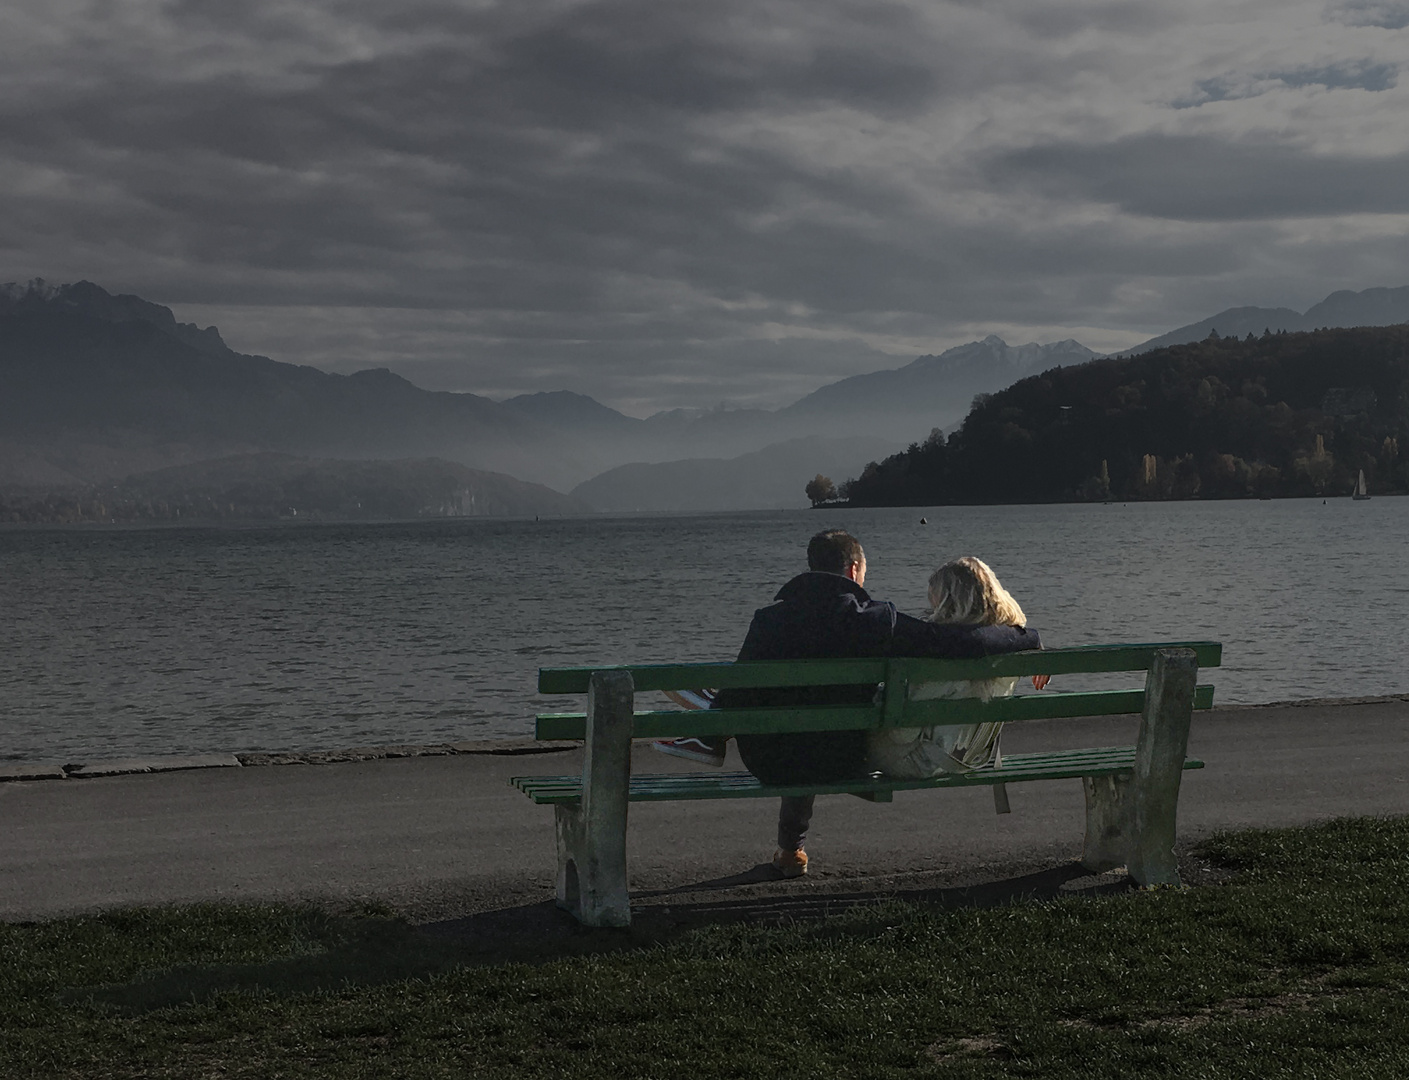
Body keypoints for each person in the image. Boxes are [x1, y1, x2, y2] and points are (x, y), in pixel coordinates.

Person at [711, 530, 1042, 878]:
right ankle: (790, 844)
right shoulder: (874, 619)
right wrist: (1026, 636)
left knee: (794, 716)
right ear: (853, 570)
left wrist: (717, 723)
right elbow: (957, 641)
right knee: (824, 723)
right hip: (843, 758)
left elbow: (737, 693)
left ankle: (790, 848)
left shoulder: (767, 620)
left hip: (769, 762)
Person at [867, 556, 1048, 781]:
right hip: (972, 756)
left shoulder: (942, 656)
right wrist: (1032, 638)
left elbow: (901, 733)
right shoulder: (1009, 645)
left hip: (920, 760)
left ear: (948, 602)